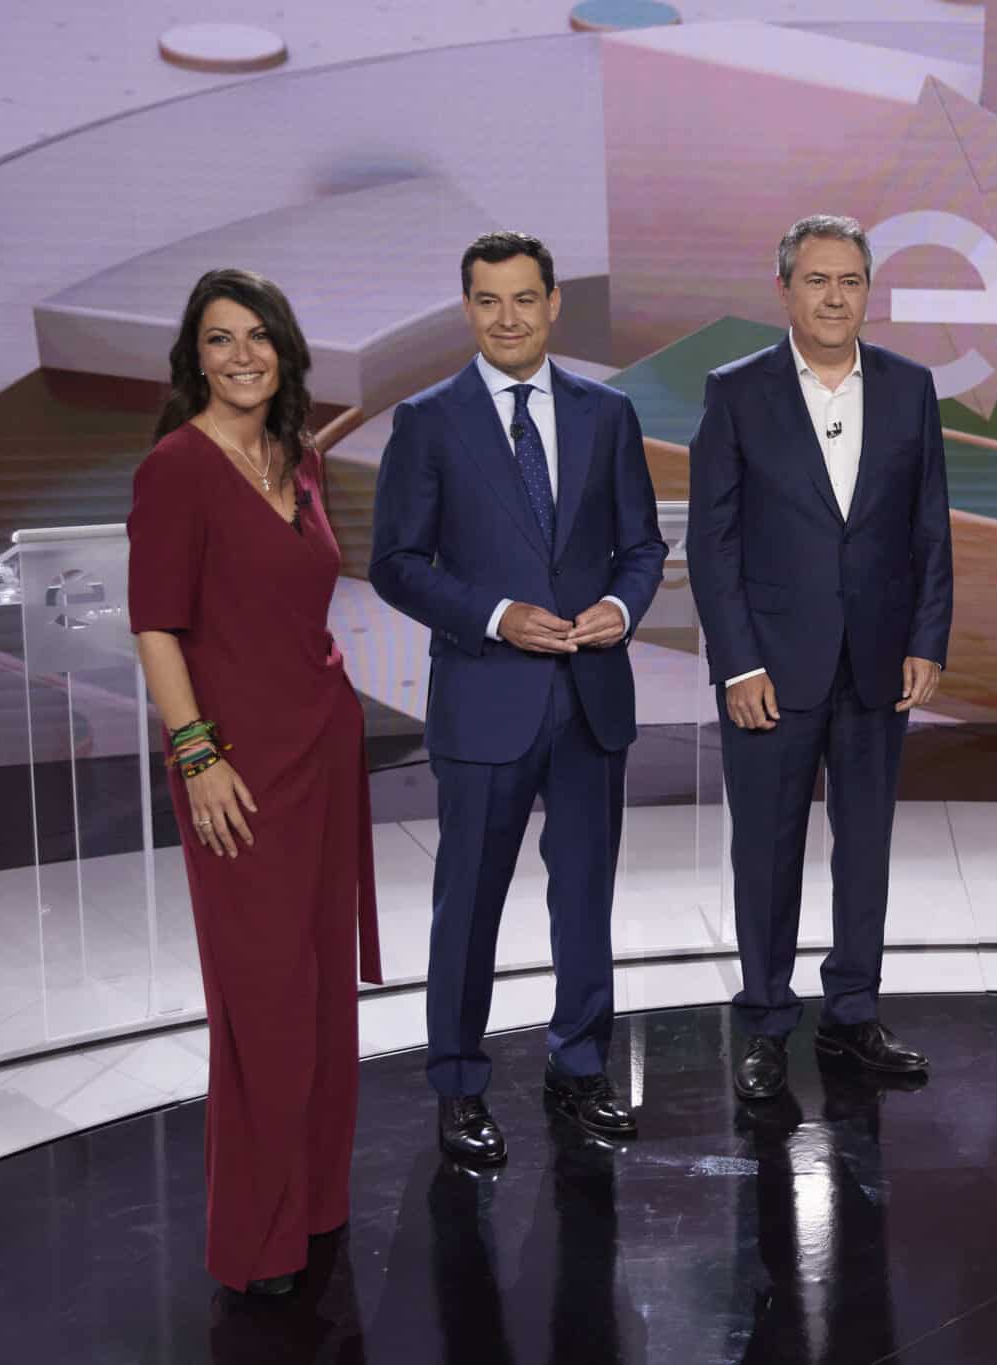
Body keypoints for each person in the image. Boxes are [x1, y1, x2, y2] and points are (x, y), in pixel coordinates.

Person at [370, 231, 666, 1160]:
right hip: (485, 700)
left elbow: (643, 544)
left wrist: (622, 604)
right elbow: (396, 565)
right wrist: (497, 614)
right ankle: (459, 1083)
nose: (508, 317)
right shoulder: (426, 421)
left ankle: (579, 1067)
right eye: (489, 301)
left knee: (584, 898)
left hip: (589, 695)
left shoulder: (606, 413)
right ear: (468, 308)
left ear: (552, 305)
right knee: (471, 903)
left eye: (525, 299)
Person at [128, 267, 382, 1296]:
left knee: (320, 993)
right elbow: (156, 624)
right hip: (236, 768)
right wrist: (196, 756)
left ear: (284, 348)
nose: (241, 354)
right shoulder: (175, 469)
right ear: (194, 356)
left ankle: (316, 1204)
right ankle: (258, 1236)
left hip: (322, 747)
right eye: (220, 339)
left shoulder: (296, 460)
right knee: (264, 999)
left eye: (258, 336)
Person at [686, 214, 953, 1101]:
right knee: (766, 850)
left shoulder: (912, 389)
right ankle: (765, 1018)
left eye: (850, 281)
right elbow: (712, 543)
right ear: (786, 290)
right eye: (817, 280)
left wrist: (927, 636)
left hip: (878, 661)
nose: (835, 297)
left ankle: (853, 1010)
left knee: (865, 846)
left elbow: (929, 529)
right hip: (771, 666)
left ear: (867, 292)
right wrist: (737, 664)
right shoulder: (737, 392)